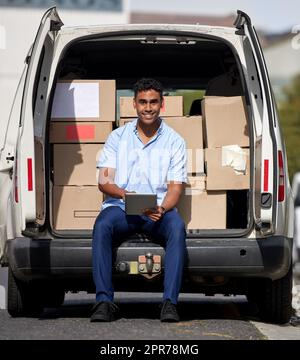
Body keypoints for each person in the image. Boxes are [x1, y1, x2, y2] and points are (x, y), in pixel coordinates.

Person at [91, 78, 187, 323]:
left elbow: (176, 187)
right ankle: (104, 301)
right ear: (134, 104)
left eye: (153, 102)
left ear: (162, 104)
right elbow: (104, 181)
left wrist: (162, 208)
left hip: (156, 211)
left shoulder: (175, 141)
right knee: (102, 225)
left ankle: (169, 303)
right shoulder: (117, 137)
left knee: (177, 227)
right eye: (142, 102)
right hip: (122, 208)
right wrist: (125, 195)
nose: (148, 107)